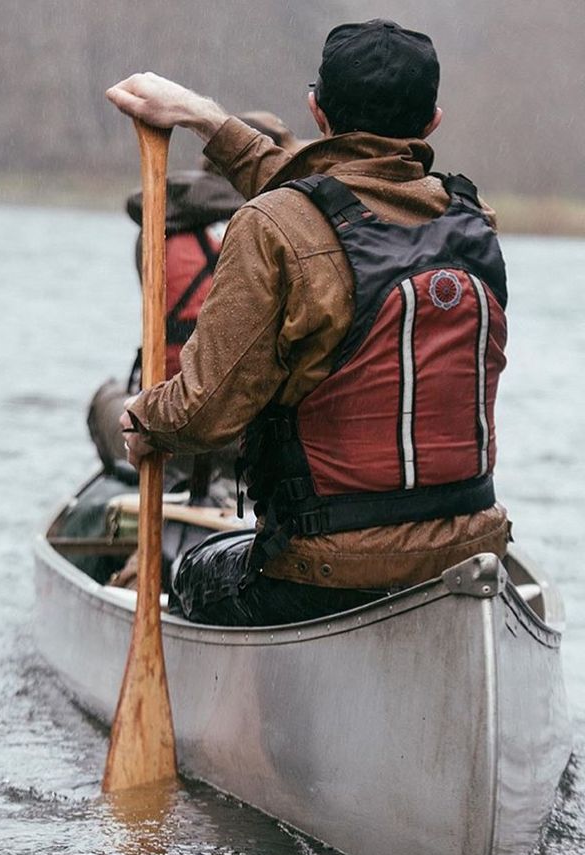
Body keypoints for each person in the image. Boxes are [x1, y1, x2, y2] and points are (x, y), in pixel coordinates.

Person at [107, 19, 511, 627]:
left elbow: (204, 413)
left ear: (316, 110)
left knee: (192, 571)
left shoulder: (270, 226)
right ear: (432, 123)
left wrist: (144, 421)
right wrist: (202, 117)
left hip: (325, 571)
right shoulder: (476, 219)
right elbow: (344, 189)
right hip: (470, 547)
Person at [87, 111, 302, 503]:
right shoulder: (285, 231)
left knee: (106, 399)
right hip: (262, 433)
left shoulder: (157, 233)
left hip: (176, 427)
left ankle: (149, 481)